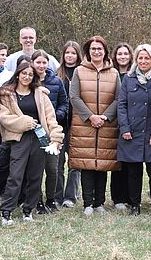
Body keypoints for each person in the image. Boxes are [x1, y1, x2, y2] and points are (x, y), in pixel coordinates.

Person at [0, 60, 63, 225]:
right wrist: (24, 122)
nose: (26, 77)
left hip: (39, 138)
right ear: (18, 74)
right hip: (19, 138)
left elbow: (50, 118)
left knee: (35, 176)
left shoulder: (41, 95)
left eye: (30, 74)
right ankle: (7, 211)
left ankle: (28, 210)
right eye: (24, 73)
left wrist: (55, 138)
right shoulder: (7, 94)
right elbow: (4, 118)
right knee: (16, 175)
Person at [69, 36, 121, 215]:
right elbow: (74, 97)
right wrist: (90, 117)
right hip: (85, 124)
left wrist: (105, 117)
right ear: (88, 52)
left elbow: (118, 99)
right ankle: (88, 204)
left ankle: (100, 202)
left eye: (100, 49)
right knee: (87, 164)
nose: (96, 52)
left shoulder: (113, 73)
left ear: (105, 51)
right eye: (93, 49)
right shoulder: (79, 71)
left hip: (106, 125)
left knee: (103, 164)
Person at [117, 44, 151, 215]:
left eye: (147, 58)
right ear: (136, 60)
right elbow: (121, 105)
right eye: (140, 58)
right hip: (132, 131)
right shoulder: (128, 79)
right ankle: (134, 204)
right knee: (133, 171)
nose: (143, 61)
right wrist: (124, 128)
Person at [31, 49, 69, 213]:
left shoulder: (56, 81)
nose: (41, 65)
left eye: (44, 62)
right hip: (34, 132)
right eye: (38, 62)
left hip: (53, 130)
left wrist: (55, 115)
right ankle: (37, 200)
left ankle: (51, 199)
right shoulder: (27, 80)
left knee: (53, 168)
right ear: (32, 63)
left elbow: (64, 103)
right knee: (36, 168)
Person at [55, 41, 81, 207]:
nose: (70, 56)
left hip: (78, 124)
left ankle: (70, 196)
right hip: (60, 125)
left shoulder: (83, 73)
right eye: (67, 53)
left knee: (75, 162)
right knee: (57, 162)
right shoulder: (57, 74)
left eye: (73, 53)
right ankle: (57, 196)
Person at [110, 42, 134, 209]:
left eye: (126, 54)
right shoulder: (112, 74)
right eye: (119, 54)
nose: (123, 57)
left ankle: (129, 196)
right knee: (116, 162)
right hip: (113, 122)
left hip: (132, 123)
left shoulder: (134, 74)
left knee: (130, 162)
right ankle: (118, 197)